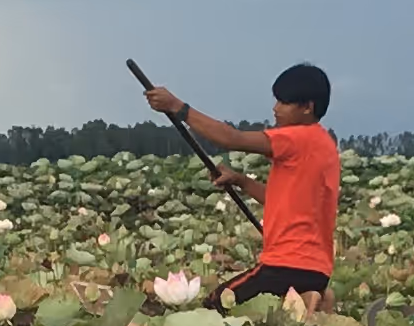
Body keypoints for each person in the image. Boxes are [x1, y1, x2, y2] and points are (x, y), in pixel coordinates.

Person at [140, 61, 341, 309]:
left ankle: (310, 301)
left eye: (284, 103)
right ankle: (315, 298)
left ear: (307, 108)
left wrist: (178, 107)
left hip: (286, 265)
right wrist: (241, 180)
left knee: (214, 307)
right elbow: (280, 202)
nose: (275, 108)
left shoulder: (298, 137)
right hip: (316, 270)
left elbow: (231, 138)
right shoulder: (323, 145)